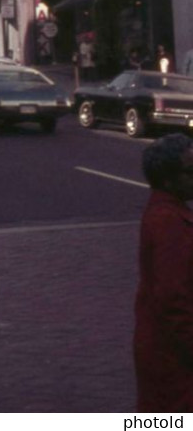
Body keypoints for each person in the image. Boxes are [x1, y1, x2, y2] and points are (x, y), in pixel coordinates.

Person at [134, 134, 193, 412]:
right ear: (168, 178)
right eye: (190, 171)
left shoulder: (171, 213)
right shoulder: (167, 221)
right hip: (173, 358)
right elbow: (173, 299)